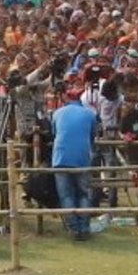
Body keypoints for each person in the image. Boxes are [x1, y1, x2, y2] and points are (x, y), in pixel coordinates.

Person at [49, 81, 98, 239]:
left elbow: (54, 133)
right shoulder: (90, 114)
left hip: (61, 158)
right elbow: (93, 136)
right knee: (84, 194)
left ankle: (74, 228)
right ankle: (84, 227)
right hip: (82, 158)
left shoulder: (57, 113)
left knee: (66, 195)